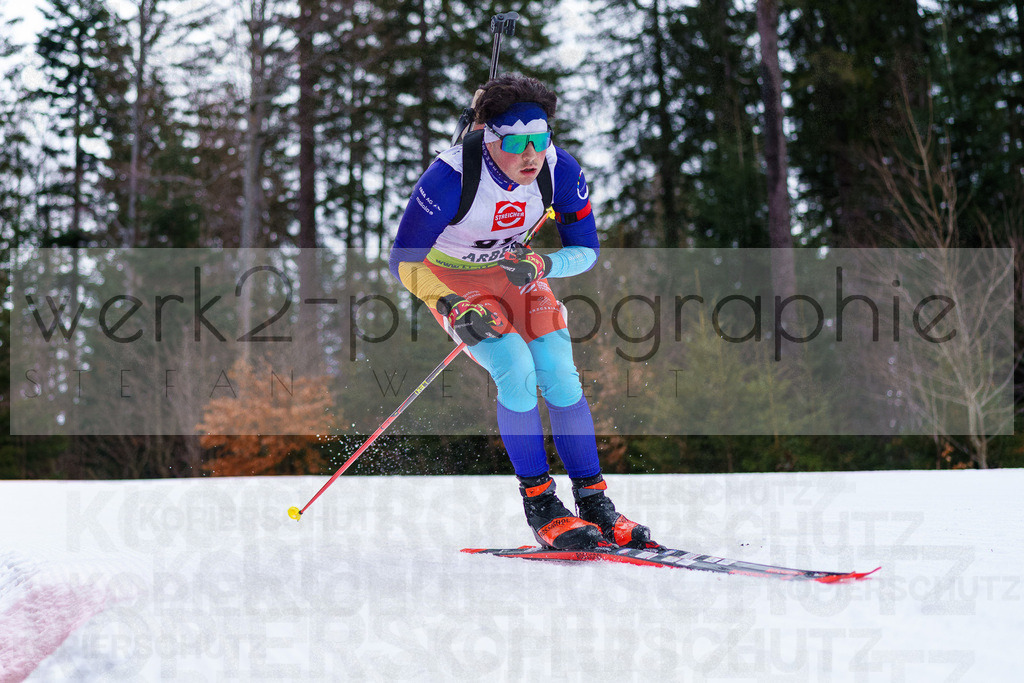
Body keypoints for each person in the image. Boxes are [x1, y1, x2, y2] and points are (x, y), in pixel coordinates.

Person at [389, 74, 658, 551]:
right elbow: (403, 260)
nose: (532, 153)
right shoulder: (450, 176)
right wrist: (450, 304)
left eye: (541, 138)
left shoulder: (561, 170)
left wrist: (543, 261)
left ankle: (595, 504)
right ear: (490, 139)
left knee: (559, 373)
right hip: (452, 281)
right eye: (517, 141)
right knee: (514, 366)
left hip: (516, 272)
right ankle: (541, 506)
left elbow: (587, 250)